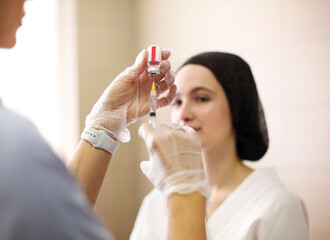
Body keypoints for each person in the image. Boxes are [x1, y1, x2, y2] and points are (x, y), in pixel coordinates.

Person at [0, 0, 210, 239]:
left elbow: (60, 215)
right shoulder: (13, 142)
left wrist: (103, 126)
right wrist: (187, 192)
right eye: (179, 101)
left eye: (203, 98)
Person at [130, 52, 310, 240]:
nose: (183, 114)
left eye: (201, 98)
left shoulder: (279, 206)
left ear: (236, 107)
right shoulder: (157, 199)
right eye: (177, 102)